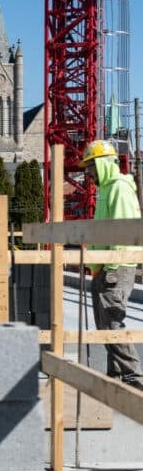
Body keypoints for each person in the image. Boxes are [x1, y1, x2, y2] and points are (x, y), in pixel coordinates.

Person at [79, 139, 143, 389]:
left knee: (112, 320)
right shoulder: (106, 189)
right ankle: (115, 375)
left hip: (116, 266)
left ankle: (133, 375)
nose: (88, 173)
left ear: (102, 164)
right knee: (103, 324)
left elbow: (125, 231)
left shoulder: (119, 188)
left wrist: (113, 268)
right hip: (104, 266)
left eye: (91, 167)